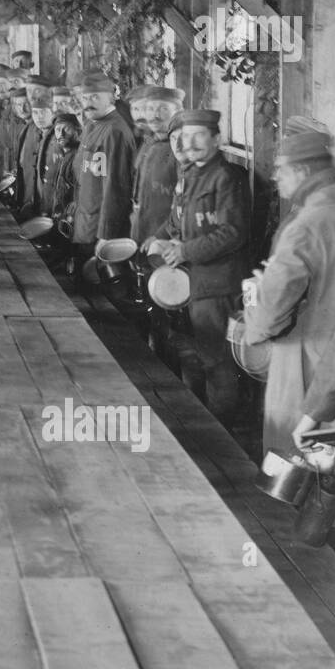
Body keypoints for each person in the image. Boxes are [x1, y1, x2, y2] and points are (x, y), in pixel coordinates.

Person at [236, 127, 335, 456]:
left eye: (279, 170)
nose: (275, 178)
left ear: (301, 171)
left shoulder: (304, 226)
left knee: (295, 460)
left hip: (306, 365)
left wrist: (256, 296)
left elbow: (270, 315)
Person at [146, 109, 251, 424]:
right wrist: (161, 237)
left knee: (216, 360)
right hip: (193, 282)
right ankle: (198, 419)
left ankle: (222, 429)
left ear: (217, 139)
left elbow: (234, 232)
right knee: (192, 354)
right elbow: (179, 219)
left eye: (198, 136)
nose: (188, 144)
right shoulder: (189, 174)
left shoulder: (227, 177)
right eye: (183, 137)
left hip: (217, 284)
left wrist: (186, 251)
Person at [71, 71, 137, 259]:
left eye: (95, 97)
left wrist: (107, 234)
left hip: (100, 228)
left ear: (110, 99)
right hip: (85, 222)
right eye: (85, 98)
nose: (88, 103)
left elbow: (116, 188)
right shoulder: (92, 125)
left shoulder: (114, 131)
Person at [130, 85, 185, 245]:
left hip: (164, 237)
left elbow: (184, 203)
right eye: (150, 109)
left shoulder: (180, 149)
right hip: (141, 226)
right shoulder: (149, 142)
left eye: (163, 109)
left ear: (178, 112)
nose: (154, 115)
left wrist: (164, 236)